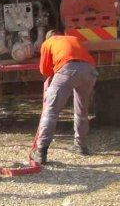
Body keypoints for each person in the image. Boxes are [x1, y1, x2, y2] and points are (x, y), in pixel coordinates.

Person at [34, 29, 98, 164]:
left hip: (67, 70)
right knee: (81, 110)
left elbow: (44, 70)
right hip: (90, 71)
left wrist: (54, 74)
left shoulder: (48, 43)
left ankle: (41, 152)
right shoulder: (73, 39)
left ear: (48, 37)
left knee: (51, 111)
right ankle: (80, 146)